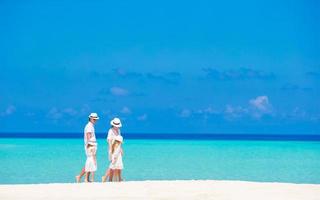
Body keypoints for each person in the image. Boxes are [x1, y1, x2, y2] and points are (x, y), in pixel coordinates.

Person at [75, 113, 99, 183]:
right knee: (90, 162)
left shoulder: (91, 126)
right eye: (94, 119)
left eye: (96, 119)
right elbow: (88, 136)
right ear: (91, 119)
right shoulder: (89, 126)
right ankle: (80, 176)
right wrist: (90, 145)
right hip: (90, 145)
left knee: (90, 162)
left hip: (92, 145)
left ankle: (86, 178)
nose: (95, 120)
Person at [102, 117, 122, 182]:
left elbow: (119, 141)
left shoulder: (118, 130)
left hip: (118, 149)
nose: (117, 127)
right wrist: (111, 151)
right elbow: (109, 141)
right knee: (112, 164)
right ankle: (106, 177)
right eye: (116, 125)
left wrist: (121, 149)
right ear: (113, 124)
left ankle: (115, 178)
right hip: (113, 149)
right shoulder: (110, 131)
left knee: (117, 164)